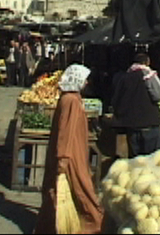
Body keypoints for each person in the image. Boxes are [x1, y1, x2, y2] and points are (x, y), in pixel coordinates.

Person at [34, 64, 104, 234]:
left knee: (60, 193)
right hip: (71, 156)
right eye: (84, 79)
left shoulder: (70, 98)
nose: (87, 83)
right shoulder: (71, 101)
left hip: (72, 153)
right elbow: (66, 131)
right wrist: (63, 159)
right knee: (82, 191)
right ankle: (91, 227)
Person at [111, 53, 160, 158]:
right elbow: (158, 96)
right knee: (155, 161)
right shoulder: (148, 74)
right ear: (147, 62)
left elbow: (116, 101)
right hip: (149, 126)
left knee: (137, 163)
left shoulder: (123, 78)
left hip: (132, 128)